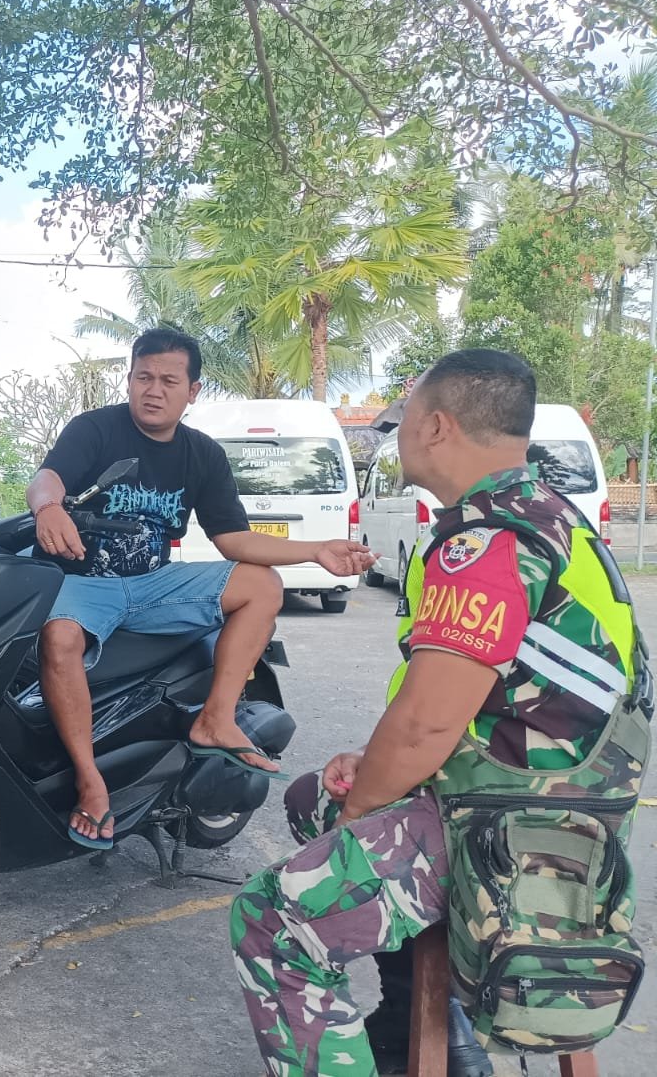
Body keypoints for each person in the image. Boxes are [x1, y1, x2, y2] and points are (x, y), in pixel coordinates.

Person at [231, 349, 647, 1075]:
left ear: (436, 427)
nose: (396, 437)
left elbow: (425, 723)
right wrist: (374, 771)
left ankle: (422, 1029)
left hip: (506, 830)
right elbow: (498, 708)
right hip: (562, 810)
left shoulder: (484, 543)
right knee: (312, 799)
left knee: (274, 917)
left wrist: (363, 808)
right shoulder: (554, 518)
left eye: (403, 420)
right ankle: (419, 1025)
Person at [26, 326, 372, 846]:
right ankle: (90, 779)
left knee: (263, 585)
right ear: (129, 380)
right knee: (59, 638)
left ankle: (215, 718)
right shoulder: (95, 429)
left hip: (153, 585)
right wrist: (48, 508)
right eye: (144, 377)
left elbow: (233, 540)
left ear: (193, 391)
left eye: (169, 381)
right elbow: (47, 477)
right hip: (85, 581)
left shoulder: (203, 454)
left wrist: (315, 550)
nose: (154, 390)